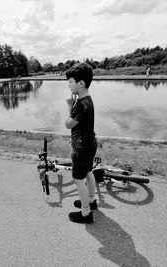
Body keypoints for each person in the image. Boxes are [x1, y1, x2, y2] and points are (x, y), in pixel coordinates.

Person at [65, 63, 98, 224]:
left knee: (78, 179)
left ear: (81, 83)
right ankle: (90, 201)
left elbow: (68, 124)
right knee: (88, 172)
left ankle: (86, 213)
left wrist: (70, 106)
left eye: (70, 81)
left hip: (81, 148)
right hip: (90, 143)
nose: (69, 85)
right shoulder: (88, 100)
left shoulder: (80, 104)